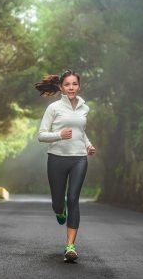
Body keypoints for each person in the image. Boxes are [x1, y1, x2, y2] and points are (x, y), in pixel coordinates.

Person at [35, 69, 96, 262]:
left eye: (74, 84)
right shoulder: (53, 108)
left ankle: (70, 247)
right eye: (68, 84)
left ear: (79, 86)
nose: (71, 88)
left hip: (79, 158)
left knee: (73, 199)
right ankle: (59, 211)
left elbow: (81, 131)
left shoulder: (84, 107)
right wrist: (59, 135)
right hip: (57, 158)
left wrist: (88, 145)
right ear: (61, 87)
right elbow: (41, 135)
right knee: (58, 203)